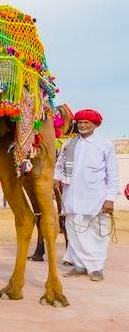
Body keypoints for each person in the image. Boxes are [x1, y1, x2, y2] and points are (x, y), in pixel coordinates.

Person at [56, 109, 119, 281]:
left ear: (95, 125)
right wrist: (55, 179)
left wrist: (110, 198)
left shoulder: (104, 144)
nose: (82, 125)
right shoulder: (68, 144)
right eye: (80, 122)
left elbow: (112, 174)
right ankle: (79, 266)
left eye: (87, 123)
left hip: (96, 197)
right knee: (74, 230)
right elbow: (59, 165)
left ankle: (96, 267)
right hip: (72, 195)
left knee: (97, 233)